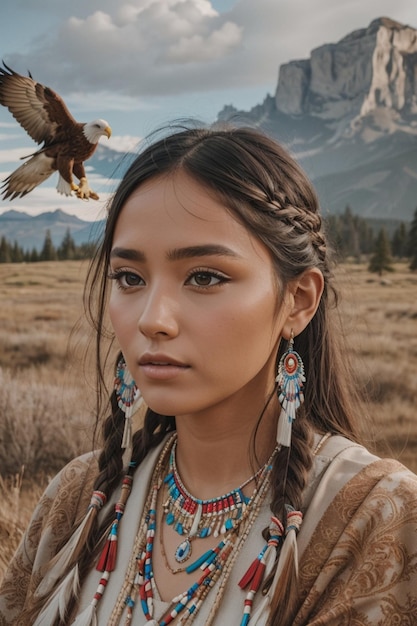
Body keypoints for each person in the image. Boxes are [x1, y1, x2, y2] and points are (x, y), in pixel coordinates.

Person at [1, 123, 416, 626]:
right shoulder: (77, 500)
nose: (153, 319)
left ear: (298, 301)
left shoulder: (378, 520)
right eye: (129, 278)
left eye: (204, 277)